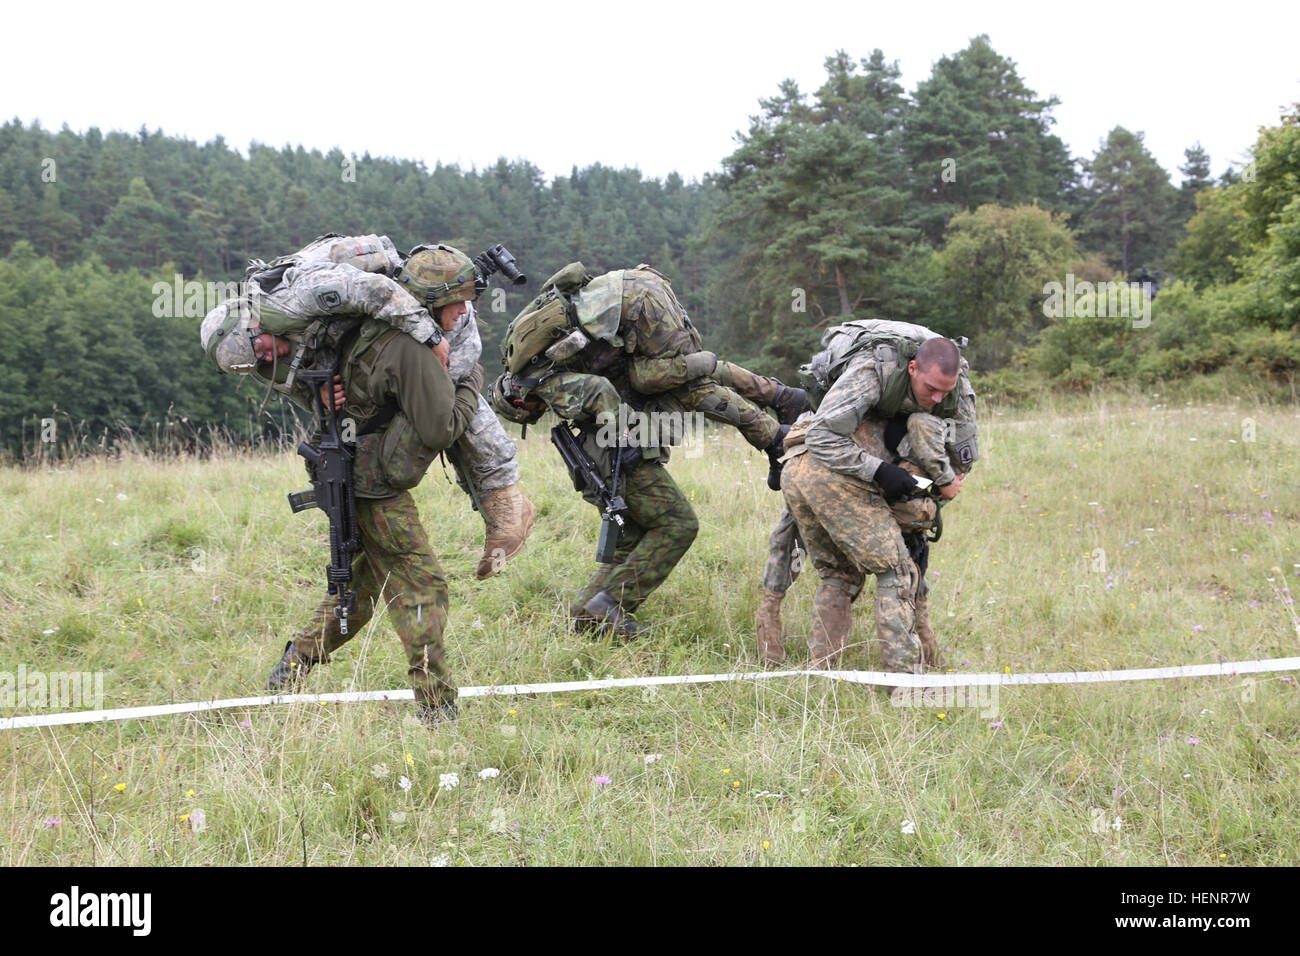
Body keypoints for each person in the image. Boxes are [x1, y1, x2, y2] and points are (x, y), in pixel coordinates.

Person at [201, 244, 486, 725]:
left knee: (360, 587)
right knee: (422, 585)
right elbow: (439, 428)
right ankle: (437, 706)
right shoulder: (403, 343)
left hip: (349, 471)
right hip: (371, 481)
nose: (463, 314)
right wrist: (471, 378)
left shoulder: (338, 323)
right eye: (457, 303)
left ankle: (294, 665)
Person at [206, 233, 535, 579]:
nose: (266, 359)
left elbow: (377, 291)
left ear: (253, 325)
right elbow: (302, 386)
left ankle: (504, 502)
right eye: (255, 362)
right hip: (372, 340)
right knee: (400, 413)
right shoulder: (263, 356)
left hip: (416, 305)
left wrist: (432, 337)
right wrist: (320, 397)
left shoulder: (298, 295)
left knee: (444, 392)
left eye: (261, 351)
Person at [490, 293, 701, 638]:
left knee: (628, 543)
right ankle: (609, 606)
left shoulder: (553, 375)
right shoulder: (552, 381)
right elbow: (600, 391)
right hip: (616, 460)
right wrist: (627, 435)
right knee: (679, 524)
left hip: (602, 462)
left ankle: (585, 617)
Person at [507, 263, 809, 490]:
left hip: (639, 305)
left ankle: (774, 438)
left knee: (687, 386)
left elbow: (600, 390)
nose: (538, 414)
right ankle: (779, 397)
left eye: (529, 415)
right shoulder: (530, 354)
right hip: (638, 288)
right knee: (657, 377)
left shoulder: (544, 381)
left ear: (521, 403)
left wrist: (623, 439)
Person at [777, 329, 975, 672]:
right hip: (826, 471)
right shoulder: (873, 372)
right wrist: (879, 471)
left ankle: (822, 674)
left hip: (795, 473)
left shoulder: (950, 399)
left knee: (840, 574)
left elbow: (963, 459)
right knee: (897, 572)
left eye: (945, 392)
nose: (937, 399)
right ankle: (905, 681)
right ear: (912, 368)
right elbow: (824, 437)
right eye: (930, 389)